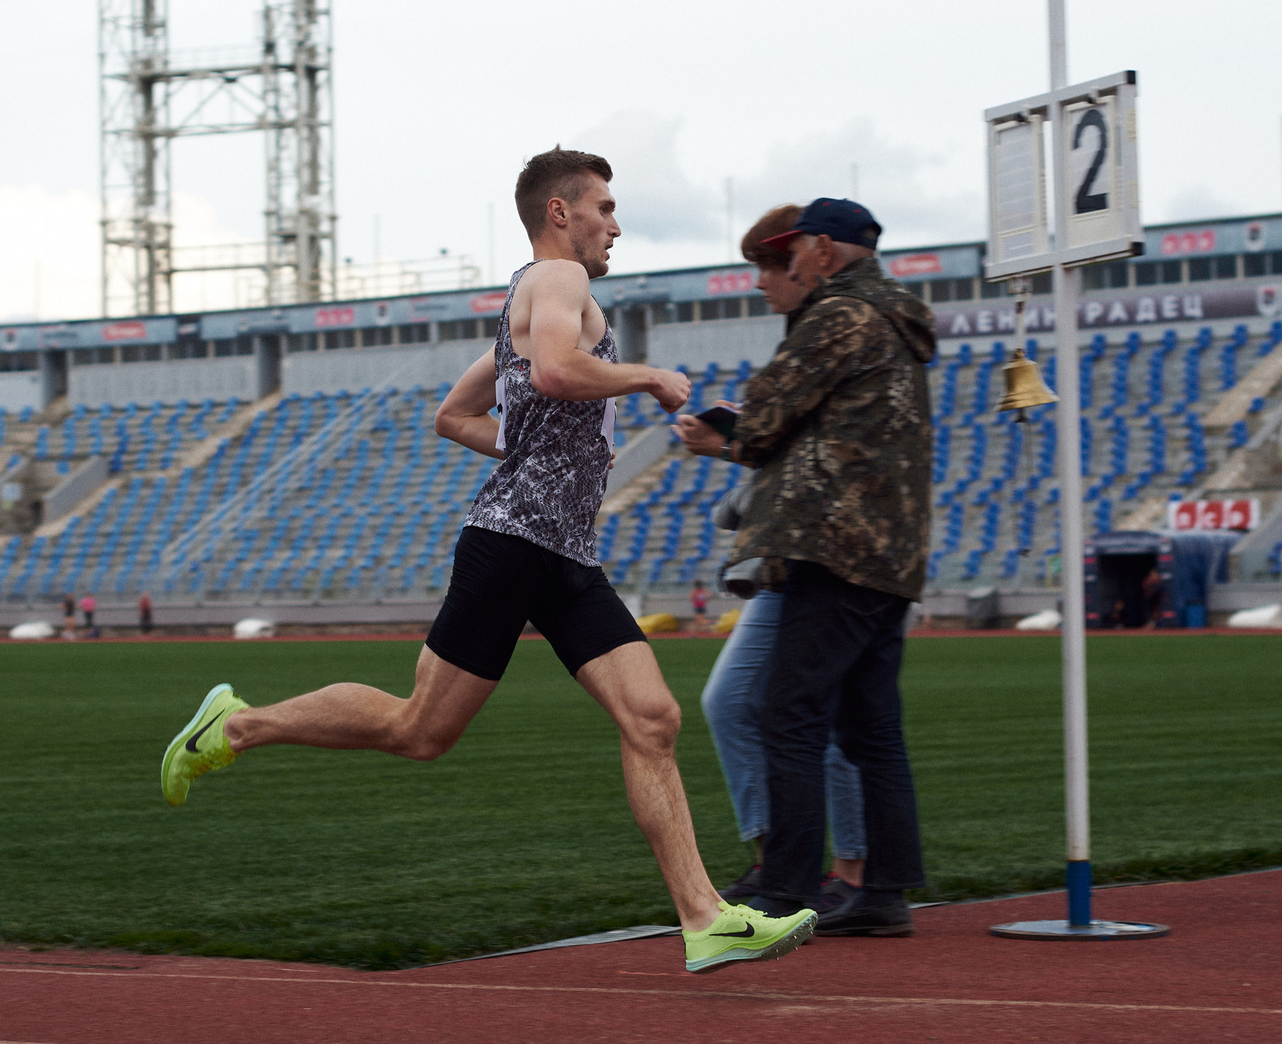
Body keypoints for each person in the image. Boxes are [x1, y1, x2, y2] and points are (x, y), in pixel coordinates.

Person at [158, 147, 818, 974]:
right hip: (511, 545)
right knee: (419, 730)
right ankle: (237, 724)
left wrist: (555, 450)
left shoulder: (544, 296)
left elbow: (455, 413)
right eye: (603, 208)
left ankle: (704, 916)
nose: (615, 223)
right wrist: (644, 375)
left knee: (653, 717)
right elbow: (551, 369)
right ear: (560, 213)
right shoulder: (558, 282)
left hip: (564, 553)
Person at [677, 196, 936, 936]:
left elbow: (762, 418)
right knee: (870, 728)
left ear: (822, 250)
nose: (785, 267)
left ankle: (784, 892)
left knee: (786, 714)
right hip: (891, 551)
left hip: (835, 546)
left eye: (793, 255)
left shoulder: (838, 316)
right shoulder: (894, 316)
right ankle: (885, 893)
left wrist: (729, 434)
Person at [696, 207, 867, 904]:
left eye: (770, 267)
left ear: (808, 260)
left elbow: (825, 456)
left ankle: (852, 872)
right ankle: (780, 861)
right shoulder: (804, 337)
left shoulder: (839, 331)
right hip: (784, 561)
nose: (764, 283)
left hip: (828, 558)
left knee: (817, 717)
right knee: (735, 702)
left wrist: (733, 442)